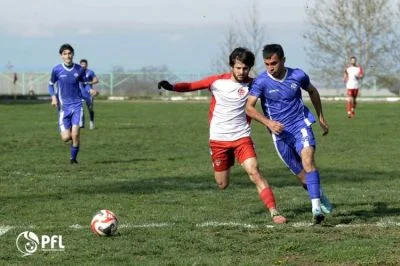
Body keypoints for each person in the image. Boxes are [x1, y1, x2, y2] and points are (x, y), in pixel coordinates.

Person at [157, 47, 287, 224]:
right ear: (232, 66)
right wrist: (171, 87)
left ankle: (274, 211)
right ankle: (225, 163)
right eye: (238, 68)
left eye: (245, 68)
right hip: (218, 140)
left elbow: (272, 99)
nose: (242, 72)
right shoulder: (217, 82)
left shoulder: (254, 84)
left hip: (242, 138)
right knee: (222, 184)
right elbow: (191, 86)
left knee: (254, 171)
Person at [245, 44, 333, 224]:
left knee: (308, 160)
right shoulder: (261, 82)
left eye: (274, 63)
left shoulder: (298, 75)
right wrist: (268, 123)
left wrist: (321, 116)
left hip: (300, 125)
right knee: (302, 176)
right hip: (279, 135)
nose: (271, 67)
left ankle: (315, 208)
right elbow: (248, 107)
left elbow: (313, 91)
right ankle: (319, 194)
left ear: (283, 60)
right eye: (267, 63)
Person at [48, 44, 97, 164]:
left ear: (73, 54)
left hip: (77, 105)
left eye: (69, 53)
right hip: (63, 108)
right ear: (61, 56)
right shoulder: (56, 70)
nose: (67, 56)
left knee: (75, 135)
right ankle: (71, 141)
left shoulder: (79, 69)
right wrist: (54, 98)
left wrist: (90, 90)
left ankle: (73, 159)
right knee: (66, 138)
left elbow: (84, 84)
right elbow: (50, 85)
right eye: (65, 54)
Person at [79, 59, 99, 129]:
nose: (83, 66)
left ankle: (91, 122)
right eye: (82, 64)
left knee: (90, 109)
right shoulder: (78, 72)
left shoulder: (90, 72)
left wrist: (89, 83)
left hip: (89, 93)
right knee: (80, 109)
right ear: (80, 65)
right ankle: (81, 124)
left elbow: (96, 80)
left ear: (87, 65)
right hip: (80, 93)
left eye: (84, 64)